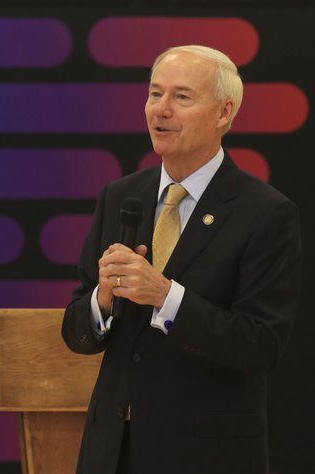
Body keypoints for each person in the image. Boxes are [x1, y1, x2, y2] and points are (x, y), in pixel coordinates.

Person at [61, 45, 302, 474]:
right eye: (155, 94)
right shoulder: (120, 197)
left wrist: (165, 296)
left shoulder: (265, 213)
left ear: (223, 113)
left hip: (205, 455)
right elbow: (77, 331)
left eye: (181, 97)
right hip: (112, 452)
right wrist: (101, 300)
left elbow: (261, 346)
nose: (161, 110)